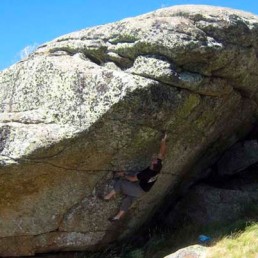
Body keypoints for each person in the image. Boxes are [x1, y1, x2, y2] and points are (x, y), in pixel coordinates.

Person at [104, 133, 168, 222]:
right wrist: (163, 140)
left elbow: (132, 179)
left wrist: (123, 175)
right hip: (143, 191)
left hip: (138, 188)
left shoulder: (147, 173)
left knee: (122, 182)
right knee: (129, 199)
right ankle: (117, 217)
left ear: (153, 165)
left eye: (154, 160)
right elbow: (162, 152)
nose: (154, 159)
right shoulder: (158, 167)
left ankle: (108, 197)